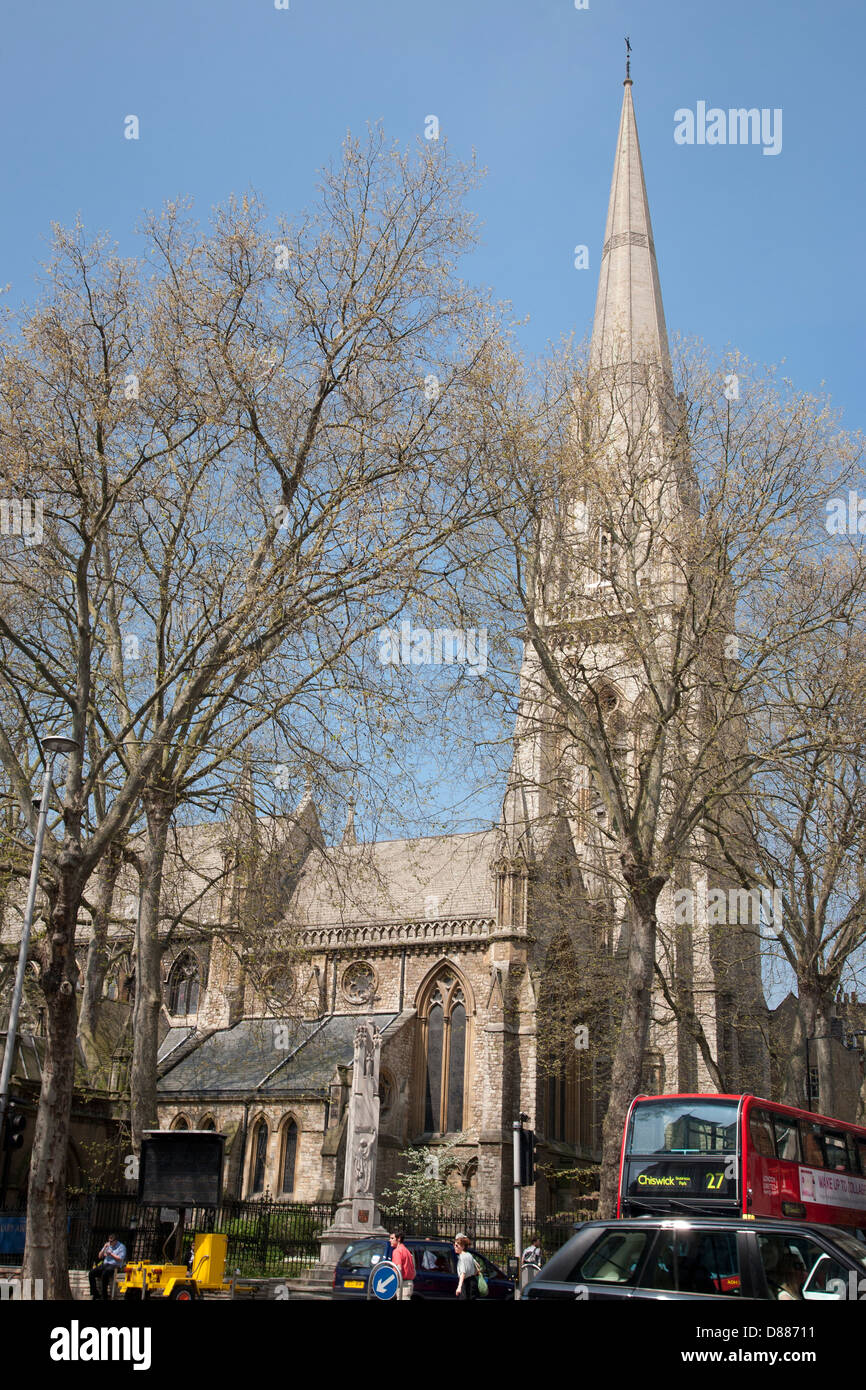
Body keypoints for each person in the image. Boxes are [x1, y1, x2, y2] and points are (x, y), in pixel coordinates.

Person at [89, 1232, 127, 1300]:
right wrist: (104, 1247)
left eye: (111, 1241)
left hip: (114, 1265)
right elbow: (100, 1256)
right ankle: (95, 1294)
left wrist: (111, 1254)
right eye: (109, 1241)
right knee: (91, 1273)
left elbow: (120, 1259)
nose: (110, 1243)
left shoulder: (121, 1247)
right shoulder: (108, 1246)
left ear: (115, 1241)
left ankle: (104, 1296)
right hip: (105, 1264)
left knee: (104, 1274)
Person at [388, 1231, 415, 1300]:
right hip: (409, 1283)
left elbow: (398, 1268)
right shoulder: (407, 1251)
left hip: (402, 1284)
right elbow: (414, 1271)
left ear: (399, 1239)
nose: (389, 1240)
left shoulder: (397, 1251)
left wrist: (391, 1283)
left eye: (392, 1238)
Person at [454, 1233, 477, 1300]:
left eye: (457, 1245)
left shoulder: (462, 1257)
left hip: (466, 1283)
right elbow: (477, 1268)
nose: (455, 1247)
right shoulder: (469, 1255)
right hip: (472, 1282)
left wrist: (459, 1287)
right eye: (454, 1245)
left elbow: (463, 1273)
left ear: (463, 1247)